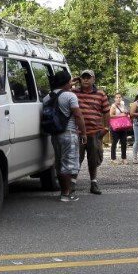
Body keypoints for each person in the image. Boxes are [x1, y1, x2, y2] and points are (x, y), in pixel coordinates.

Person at [44, 70, 87, 202]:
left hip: (55, 134)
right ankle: (66, 194)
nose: (71, 83)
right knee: (69, 164)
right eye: (69, 81)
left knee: (59, 162)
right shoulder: (70, 96)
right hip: (69, 133)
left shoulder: (48, 96)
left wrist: (69, 82)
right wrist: (84, 133)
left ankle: (64, 192)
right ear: (66, 82)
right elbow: (78, 115)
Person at [72, 69, 110, 194]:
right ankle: (72, 183)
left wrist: (106, 128)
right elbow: (61, 92)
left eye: (89, 77)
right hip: (78, 132)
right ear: (80, 79)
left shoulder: (100, 94)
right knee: (76, 158)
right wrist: (73, 81)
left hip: (94, 132)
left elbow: (106, 112)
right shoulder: (74, 92)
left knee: (93, 160)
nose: (86, 79)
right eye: (83, 77)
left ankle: (94, 183)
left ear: (93, 79)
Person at [109, 92, 129, 164]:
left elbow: (125, 113)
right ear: (114, 99)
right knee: (114, 142)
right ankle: (113, 158)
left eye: (119, 97)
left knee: (124, 142)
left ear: (121, 98)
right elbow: (110, 115)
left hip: (123, 126)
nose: (118, 99)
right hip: (115, 126)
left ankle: (124, 158)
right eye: (117, 97)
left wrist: (126, 113)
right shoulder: (113, 106)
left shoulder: (123, 105)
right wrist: (120, 115)